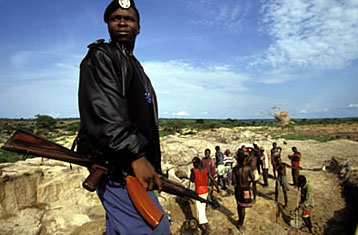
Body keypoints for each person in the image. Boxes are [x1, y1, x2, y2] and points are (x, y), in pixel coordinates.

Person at [76, 1, 169, 234]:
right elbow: (105, 111)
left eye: (129, 19)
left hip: (133, 167)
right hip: (118, 168)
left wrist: (153, 164)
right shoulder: (101, 56)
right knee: (156, 229)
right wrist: (136, 156)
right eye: (116, 18)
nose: (122, 22)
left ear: (138, 27)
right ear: (108, 24)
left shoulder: (136, 67)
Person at [190, 157, 220, 235]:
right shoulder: (205, 170)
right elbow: (212, 179)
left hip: (199, 191)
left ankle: (207, 228)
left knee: (200, 210)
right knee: (202, 208)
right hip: (205, 190)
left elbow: (192, 180)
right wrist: (217, 188)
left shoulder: (194, 171)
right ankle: (205, 226)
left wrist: (191, 173)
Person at [232, 149, 254, 230]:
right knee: (243, 207)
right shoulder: (248, 168)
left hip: (238, 189)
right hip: (246, 188)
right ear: (244, 159)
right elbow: (253, 178)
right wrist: (248, 183)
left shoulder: (235, 169)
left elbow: (233, 182)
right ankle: (241, 223)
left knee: (239, 205)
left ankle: (239, 221)